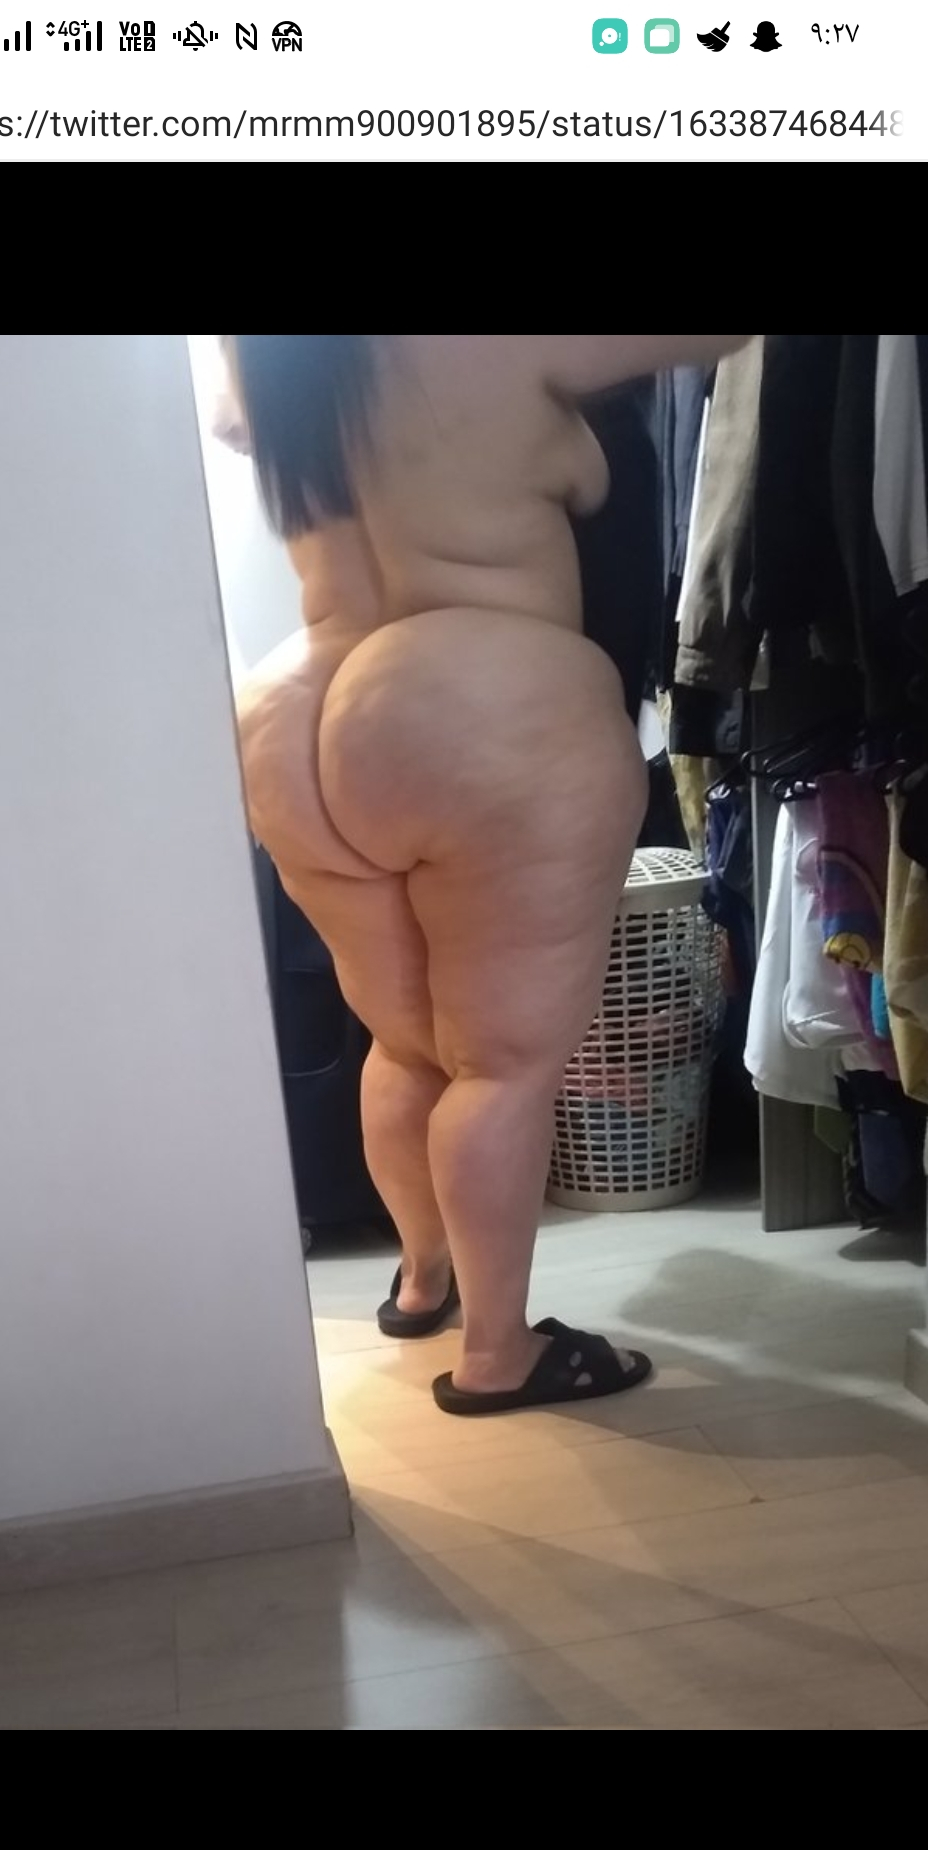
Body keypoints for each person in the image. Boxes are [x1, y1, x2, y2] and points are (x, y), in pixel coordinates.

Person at [215, 335, 750, 1415]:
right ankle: (499, 1352)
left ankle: (424, 1281)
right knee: (499, 1066)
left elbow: (234, 420)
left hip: (295, 713)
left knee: (406, 1044)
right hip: (481, 694)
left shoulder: (269, 352)